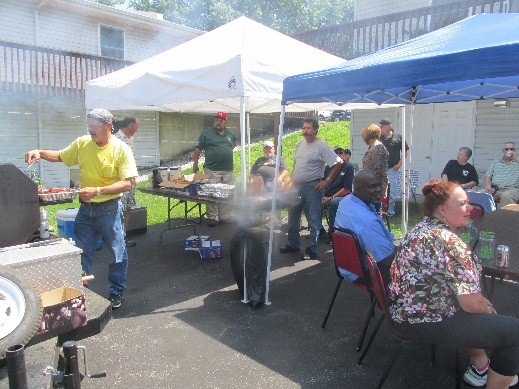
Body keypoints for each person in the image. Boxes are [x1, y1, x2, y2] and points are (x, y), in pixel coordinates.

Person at [388, 179, 519, 388]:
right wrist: (484, 305)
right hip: (425, 322)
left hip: (402, 313)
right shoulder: (448, 241)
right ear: (442, 210)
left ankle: (481, 368)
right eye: (461, 204)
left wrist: (478, 304)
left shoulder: (421, 227)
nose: (470, 209)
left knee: (476, 309)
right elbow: (471, 305)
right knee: (514, 332)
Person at [25, 108, 138, 309]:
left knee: (117, 252)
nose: (90, 130)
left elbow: (127, 183)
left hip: (110, 209)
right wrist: (40, 152)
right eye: (89, 126)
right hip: (86, 210)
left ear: (108, 126)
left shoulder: (121, 149)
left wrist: (97, 190)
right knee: (80, 252)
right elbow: (61, 156)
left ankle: (116, 292)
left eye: (94, 127)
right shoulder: (83, 143)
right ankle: (79, 292)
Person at [279, 118, 343, 261]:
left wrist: (327, 180)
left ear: (315, 130)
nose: (305, 131)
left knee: (313, 218)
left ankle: (312, 249)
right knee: (293, 215)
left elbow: (338, 163)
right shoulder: (300, 144)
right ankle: (293, 244)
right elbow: (296, 164)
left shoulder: (322, 146)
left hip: (312, 186)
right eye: (304, 128)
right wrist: (291, 179)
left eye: (308, 128)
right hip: (297, 185)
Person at [334, 169, 395, 285]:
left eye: (379, 185)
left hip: (348, 266)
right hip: (365, 272)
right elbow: (387, 260)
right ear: (358, 188)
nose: (378, 190)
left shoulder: (345, 202)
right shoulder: (367, 222)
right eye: (372, 187)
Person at [193, 112, 237, 226]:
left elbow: (233, 145)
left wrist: (223, 152)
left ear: (225, 122)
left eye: (221, 120)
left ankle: (225, 216)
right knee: (212, 193)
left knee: (226, 193)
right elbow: (198, 149)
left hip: (228, 170)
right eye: (217, 120)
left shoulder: (230, 134)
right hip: (212, 170)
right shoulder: (206, 134)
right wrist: (195, 163)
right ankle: (212, 217)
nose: (218, 122)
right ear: (214, 121)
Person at [114, 116, 139, 247]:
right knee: (118, 208)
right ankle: (116, 238)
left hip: (131, 180)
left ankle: (123, 236)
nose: (137, 129)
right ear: (130, 125)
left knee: (128, 208)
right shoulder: (115, 139)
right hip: (120, 181)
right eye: (136, 126)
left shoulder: (131, 139)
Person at [322, 148, 354, 238]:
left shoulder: (349, 167)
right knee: (311, 200)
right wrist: (322, 196)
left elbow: (346, 189)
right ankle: (319, 230)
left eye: (341, 153)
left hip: (343, 196)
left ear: (344, 154)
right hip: (327, 195)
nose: (339, 154)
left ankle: (332, 232)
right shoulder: (328, 167)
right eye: (336, 153)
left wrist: (331, 198)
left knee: (334, 203)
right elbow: (323, 183)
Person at [380, 118, 409, 216]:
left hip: (392, 168)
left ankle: (390, 212)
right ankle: (380, 211)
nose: (380, 128)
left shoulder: (398, 136)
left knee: (392, 191)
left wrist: (399, 164)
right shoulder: (379, 138)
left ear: (388, 126)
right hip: (380, 168)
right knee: (380, 190)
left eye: (382, 126)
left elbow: (405, 151)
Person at [361, 123, 389, 213]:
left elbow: (375, 170)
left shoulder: (377, 149)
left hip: (374, 187)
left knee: (373, 213)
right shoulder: (374, 147)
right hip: (371, 186)